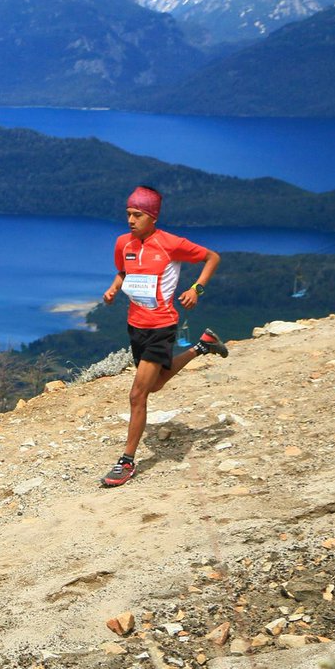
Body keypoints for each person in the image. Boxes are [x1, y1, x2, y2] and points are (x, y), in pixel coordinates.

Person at [100, 185, 228, 488]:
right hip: (136, 325)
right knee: (154, 385)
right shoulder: (123, 243)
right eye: (128, 214)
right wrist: (114, 288)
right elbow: (123, 271)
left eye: (137, 215)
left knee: (137, 394)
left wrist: (196, 289)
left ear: (152, 217)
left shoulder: (171, 244)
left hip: (161, 325)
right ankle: (203, 346)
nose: (130, 220)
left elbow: (212, 257)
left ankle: (126, 462)